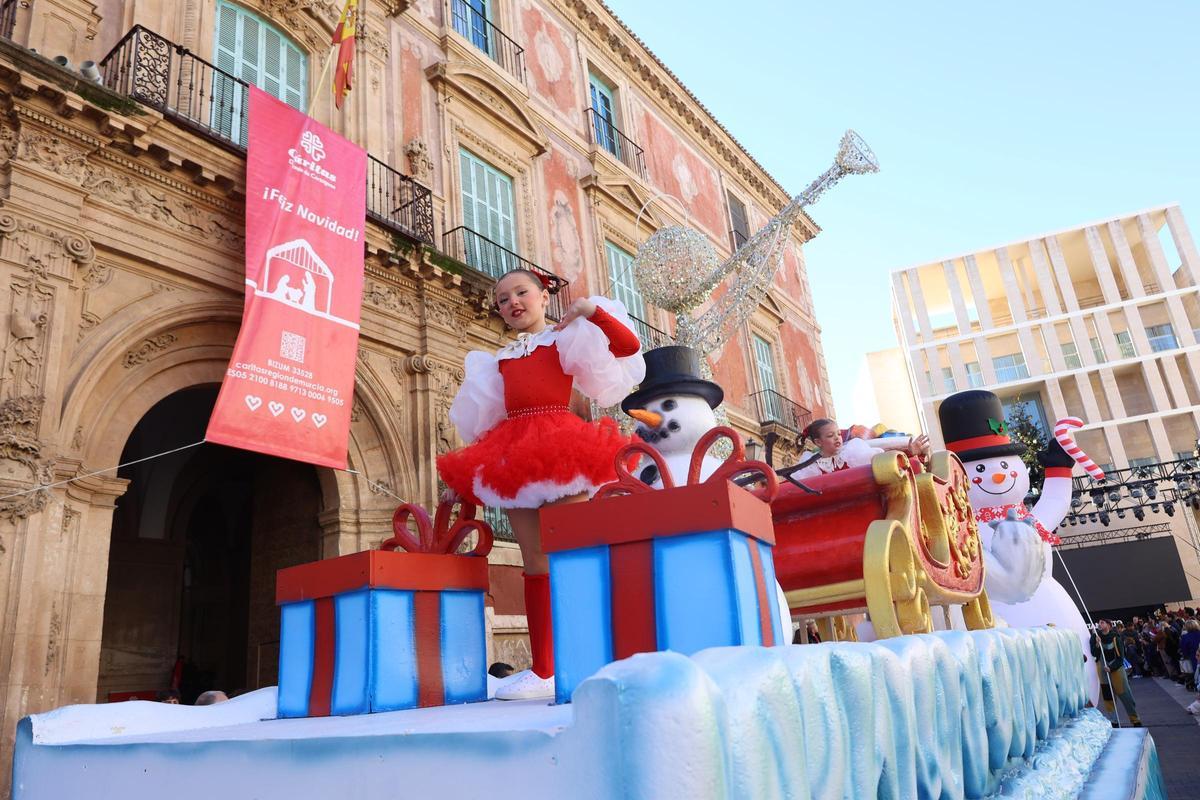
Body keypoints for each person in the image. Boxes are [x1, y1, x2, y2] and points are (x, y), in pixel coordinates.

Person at [437, 269, 644, 700]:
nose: (512, 302)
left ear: (544, 297)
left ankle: (593, 657)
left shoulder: (565, 338)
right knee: (535, 562)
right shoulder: (498, 361)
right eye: (502, 299)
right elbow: (487, 423)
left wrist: (590, 311)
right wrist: (465, 477)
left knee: (571, 555)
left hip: (563, 448)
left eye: (521, 292)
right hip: (514, 455)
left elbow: (627, 347)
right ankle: (545, 669)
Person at [789, 418, 930, 480]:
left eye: (838, 434)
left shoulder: (853, 450)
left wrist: (909, 451)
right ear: (818, 442)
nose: (837, 438)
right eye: (831, 436)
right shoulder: (809, 465)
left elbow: (882, 461)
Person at [1090, 619, 1141, 727]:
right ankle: (1114, 721)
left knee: (1125, 695)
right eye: (1099, 623)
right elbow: (1094, 653)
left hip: (1116, 669)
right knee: (1108, 697)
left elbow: (1120, 658)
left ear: (1108, 625)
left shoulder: (1115, 637)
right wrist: (1097, 644)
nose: (1099, 624)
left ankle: (1135, 720)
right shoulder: (1095, 637)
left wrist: (1111, 667)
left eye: (1102, 622)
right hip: (1102, 670)